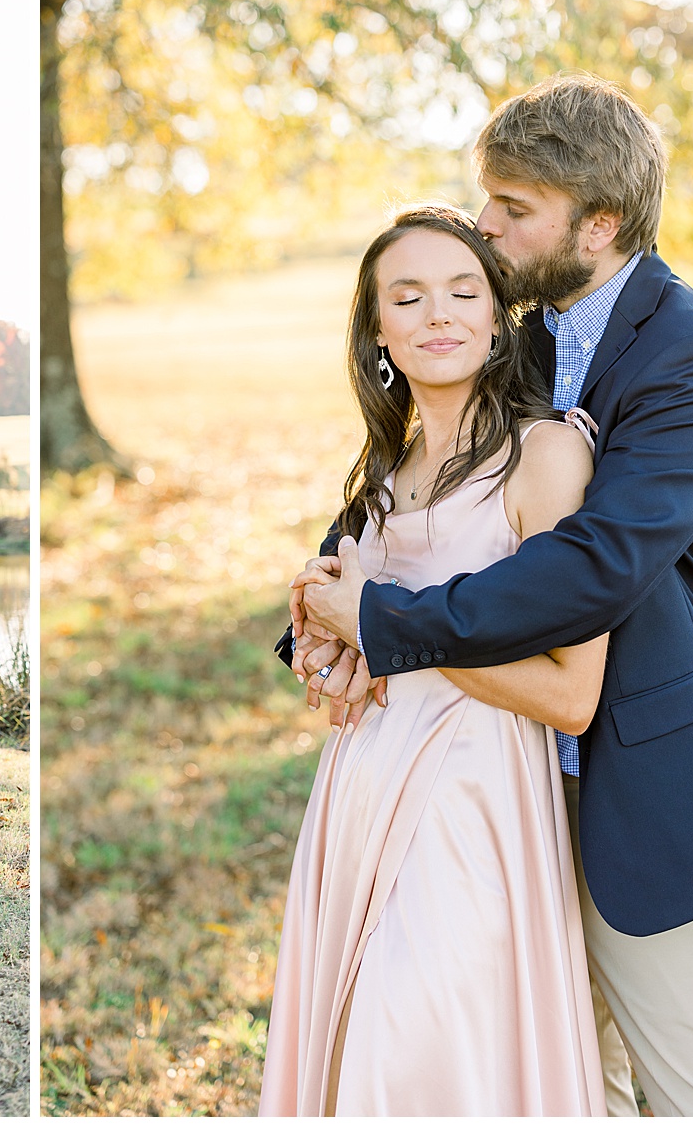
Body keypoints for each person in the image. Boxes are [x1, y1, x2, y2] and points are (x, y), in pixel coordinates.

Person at [288, 73, 693, 1115]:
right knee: (562, 1089)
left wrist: (385, 628)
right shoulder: (515, 336)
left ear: (599, 223)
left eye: (513, 210)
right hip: (500, 790)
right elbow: (414, 492)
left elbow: (597, 566)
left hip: (644, 781)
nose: (486, 228)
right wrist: (317, 612)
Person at [259, 204, 608, 1115]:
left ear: (499, 315)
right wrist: (331, 638)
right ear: (379, 330)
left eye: (463, 291)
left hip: (471, 799)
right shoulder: (382, 477)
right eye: (408, 297)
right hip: (359, 785)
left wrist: (384, 624)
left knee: (415, 1041)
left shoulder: (547, 456)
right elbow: (356, 639)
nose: (439, 314)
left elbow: (574, 696)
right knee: (354, 1037)